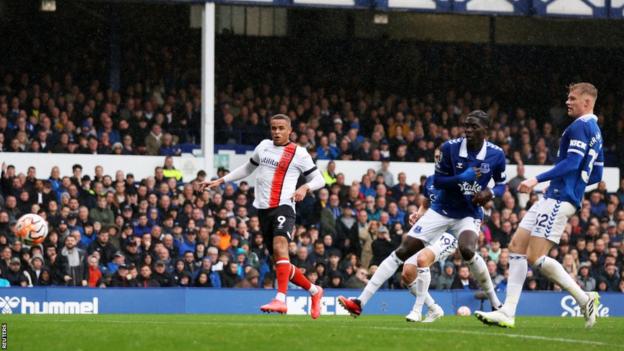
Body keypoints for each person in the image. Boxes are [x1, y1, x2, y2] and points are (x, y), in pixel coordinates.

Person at [339, 110, 506, 317]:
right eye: (466, 125)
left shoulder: (496, 154)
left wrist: (489, 192)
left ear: (485, 130)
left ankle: (496, 304)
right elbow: (439, 181)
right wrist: (463, 177)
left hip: (468, 214)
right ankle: (359, 302)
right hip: (441, 211)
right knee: (403, 251)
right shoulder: (450, 148)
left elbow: (501, 184)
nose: (468, 130)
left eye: (474, 126)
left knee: (468, 250)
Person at [476, 82, 603, 329]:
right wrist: (563, 185)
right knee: (516, 247)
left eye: (573, 98)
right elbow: (595, 174)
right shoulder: (595, 131)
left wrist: (538, 179)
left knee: (535, 256)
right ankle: (507, 312)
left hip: (559, 198)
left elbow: (573, 163)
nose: (568, 102)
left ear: (587, 102)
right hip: (556, 195)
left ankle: (584, 298)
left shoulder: (579, 127)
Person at [202, 114, 326, 318]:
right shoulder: (263, 146)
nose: (276, 132)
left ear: (290, 131)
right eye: (273, 128)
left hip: (284, 206)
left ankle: (280, 299)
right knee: (280, 261)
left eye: (281, 128)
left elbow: (319, 179)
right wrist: (220, 181)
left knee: (280, 247)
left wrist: (305, 187)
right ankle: (314, 290)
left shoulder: (299, 153)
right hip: (263, 210)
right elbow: (248, 168)